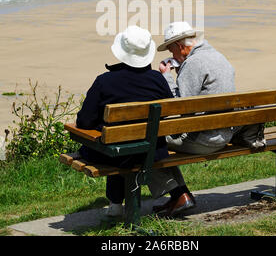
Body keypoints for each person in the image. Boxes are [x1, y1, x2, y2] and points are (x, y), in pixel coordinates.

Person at [76, 25, 194, 218]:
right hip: (152, 151)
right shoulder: (157, 79)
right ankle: (119, 203)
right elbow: (166, 114)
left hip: (117, 154)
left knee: (109, 143)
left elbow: (84, 122)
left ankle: (115, 204)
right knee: (122, 142)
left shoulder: (104, 81)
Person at [157, 21, 237, 155]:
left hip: (203, 141)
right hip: (224, 135)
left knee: (150, 140)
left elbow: (179, 106)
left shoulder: (193, 63)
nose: (173, 56)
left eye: (172, 51)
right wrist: (182, 73)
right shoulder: (218, 56)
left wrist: (166, 76)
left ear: (179, 46)